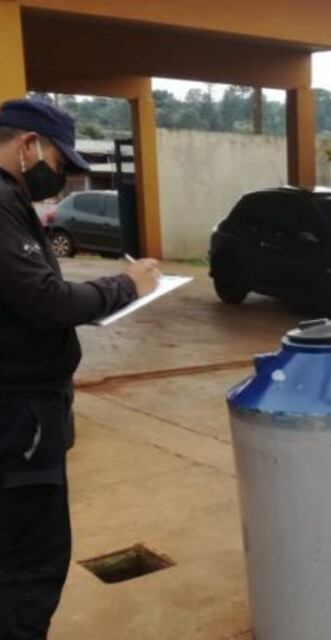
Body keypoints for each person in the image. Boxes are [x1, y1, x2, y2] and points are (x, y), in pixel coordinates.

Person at [0, 98, 160, 639]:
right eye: (61, 165)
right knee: (30, 565)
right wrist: (127, 285)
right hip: (17, 419)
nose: (64, 179)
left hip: (21, 412)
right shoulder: (0, 204)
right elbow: (46, 301)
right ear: (28, 147)